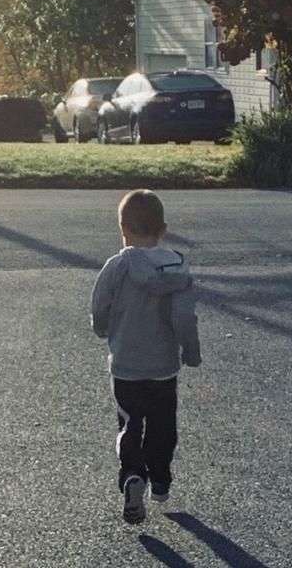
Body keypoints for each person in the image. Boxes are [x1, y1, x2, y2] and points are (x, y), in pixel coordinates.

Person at [90, 189, 201, 524]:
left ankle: (132, 475)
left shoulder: (116, 266)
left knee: (129, 421)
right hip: (163, 366)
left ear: (122, 228)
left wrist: (101, 328)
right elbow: (184, 316)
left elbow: (99, 306)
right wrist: (190, 351)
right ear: (163, 229)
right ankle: (161, 479)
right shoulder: (177, 267)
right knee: (163, 424)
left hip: (126, 364)